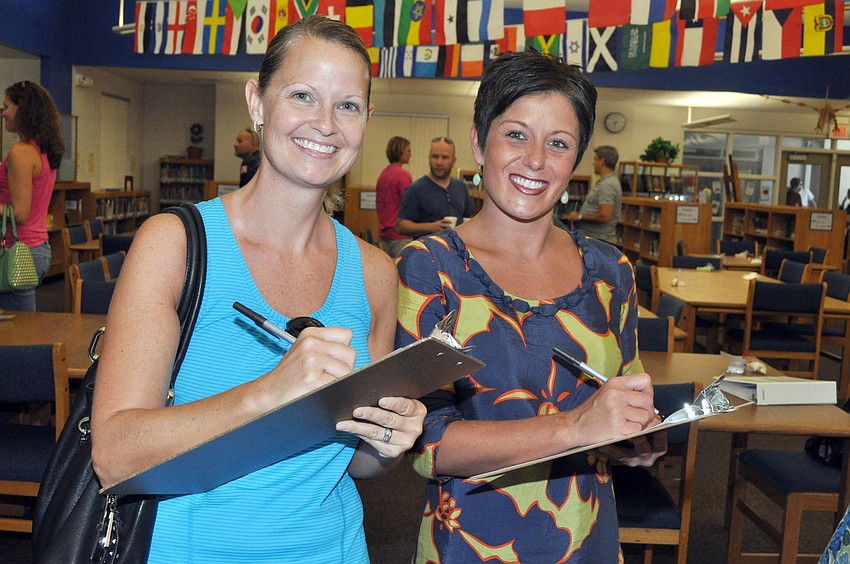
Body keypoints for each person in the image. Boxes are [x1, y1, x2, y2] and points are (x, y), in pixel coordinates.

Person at [91, 16, 426, 563]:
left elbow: (354, 459)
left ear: (366, 120)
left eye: (347, 105)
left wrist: (387, 444)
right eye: (302, 95)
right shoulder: (173, 245)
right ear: (257, 102)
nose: (325, 124)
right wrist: (269, 392)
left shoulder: (374, 273)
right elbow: (115, 455)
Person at [396, 50, 666, 562]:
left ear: (576, 160)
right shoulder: (429, 269)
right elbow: (425, 442)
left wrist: (636, 432)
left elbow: (623, 394)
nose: (536, 160)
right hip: (474, 542)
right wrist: (574, 426)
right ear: (478, 142)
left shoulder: (612, 274)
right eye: (516, 134)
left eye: (558, 143)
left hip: (588, 536)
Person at [0, 81, 64, 312]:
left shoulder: (20, 152)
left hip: (17, 250)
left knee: (18, 332)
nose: (3, 113)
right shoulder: (43, 150)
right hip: (36, 248)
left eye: (6, 106)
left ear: (22, 109)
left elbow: (20, 213)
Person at [396, 136, 476, 237]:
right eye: (435, 156)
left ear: (453, 160)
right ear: (429, 158)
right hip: (427, 251)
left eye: (445, 157)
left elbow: (469, 217)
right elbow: (400, 226)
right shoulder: (415, 189)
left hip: (456, 250)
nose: (439, 162)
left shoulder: (461, 187)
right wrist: (430, 227)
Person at [566, 145, 622, 245]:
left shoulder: (608, 184)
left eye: (595, 159)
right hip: (594, 239)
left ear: (602, 161)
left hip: (599, 240)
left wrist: (580, 216)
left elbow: (605, 216)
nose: (593, 163)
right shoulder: (604, 182)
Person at [375, 135, 413, 257]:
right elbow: (409, 204)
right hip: (400, 235)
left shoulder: (383, 174)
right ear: (400, 151)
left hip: (385, 233)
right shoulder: (403, 175)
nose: (410, 154)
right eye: (408, 150)